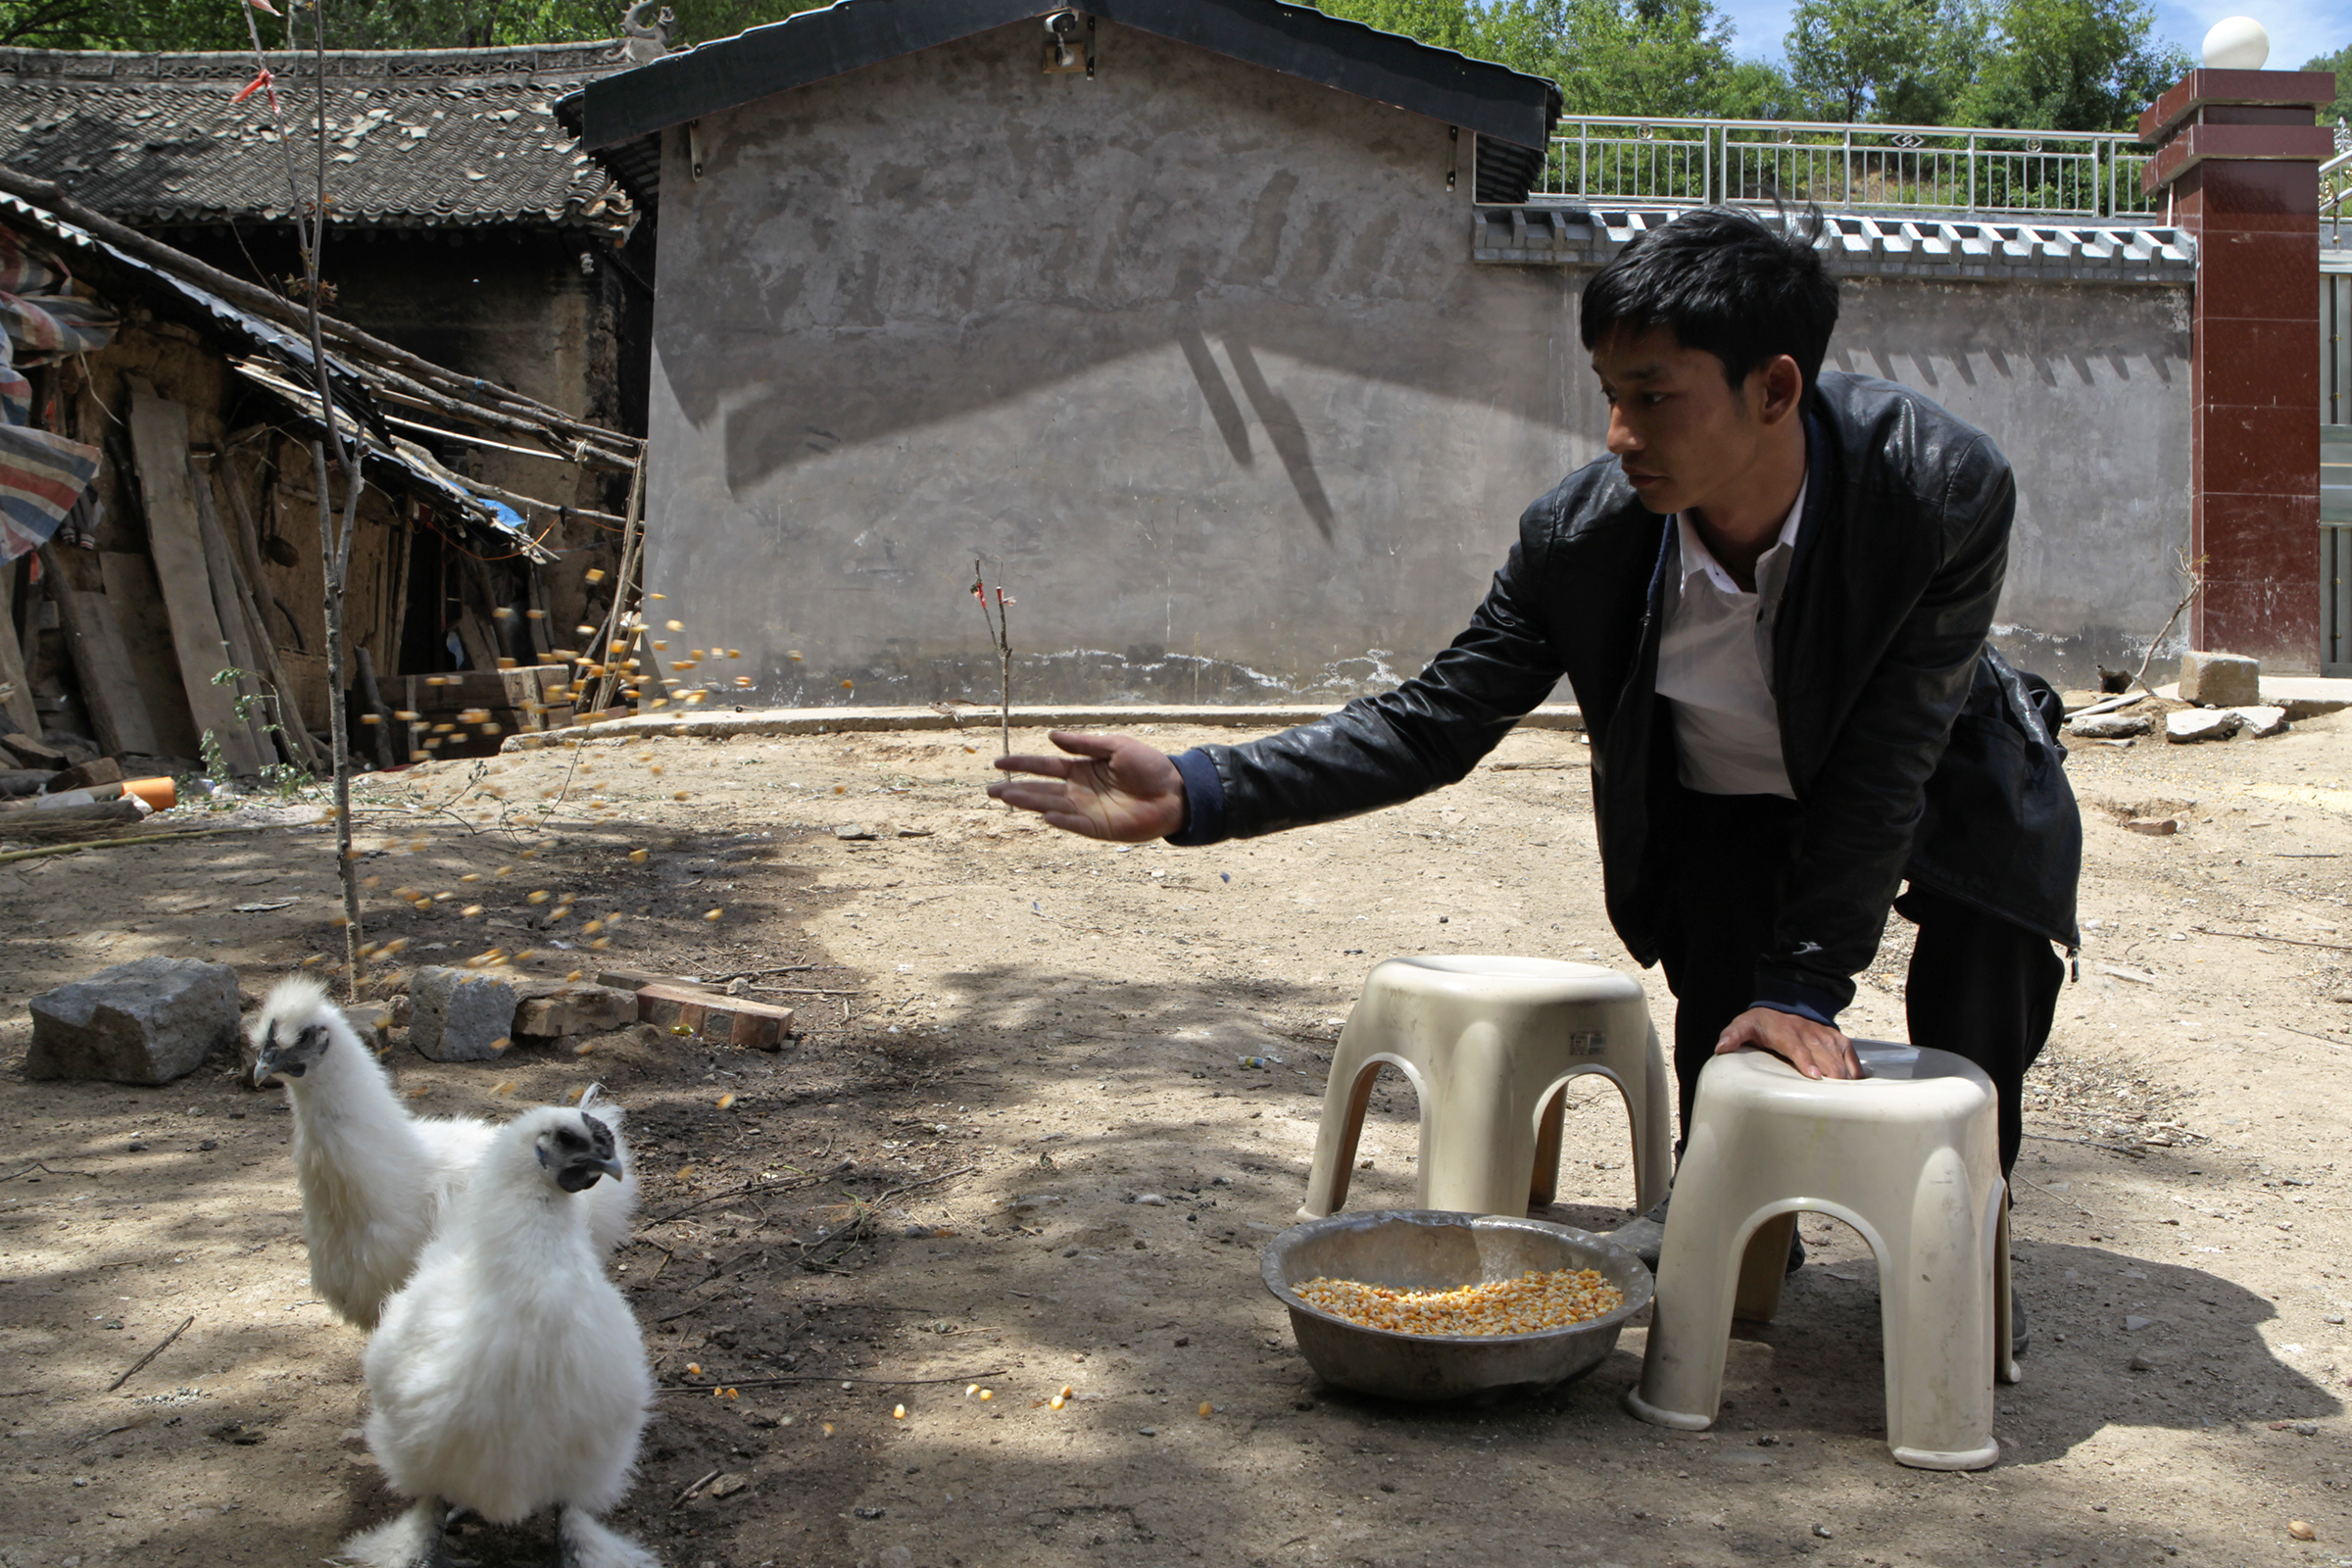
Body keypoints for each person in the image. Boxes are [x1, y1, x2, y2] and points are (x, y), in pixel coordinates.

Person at [987, 206, 2079, 1327]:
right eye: (1609, 392)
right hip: (1731, 803)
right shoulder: (1583, 539)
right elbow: (1435, 720)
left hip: (1951, 777)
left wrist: (1807, 985)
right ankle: (1734, 1210)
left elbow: (1892, 754)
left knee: (1985, 962)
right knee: (1723, 987)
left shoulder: (1936, 488)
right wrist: (1204, 788)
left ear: (1776, 389)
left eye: (1654, 396)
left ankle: (1964, 1228)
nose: (1618, 433)